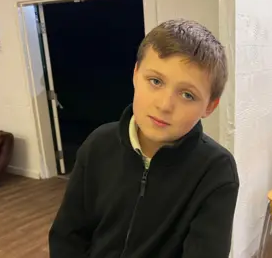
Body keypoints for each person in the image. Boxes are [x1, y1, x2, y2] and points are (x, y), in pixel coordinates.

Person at [48, 19, 239, 258]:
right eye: (156, 81)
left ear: (209, 106)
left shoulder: (216, 171)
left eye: (188, 95)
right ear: (136, 74)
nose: (164, 105)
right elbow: (68, 235)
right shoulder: (98, 144)